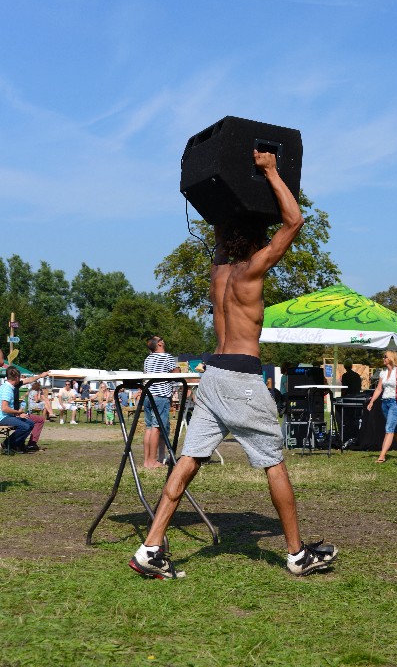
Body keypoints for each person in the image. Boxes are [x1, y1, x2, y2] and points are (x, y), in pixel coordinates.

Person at [129, 149, 338, 580]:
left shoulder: (218, 271)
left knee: (189, 459)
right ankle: (297, 554)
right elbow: (294, 221)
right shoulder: (251, 271)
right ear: (256, 240)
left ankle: (151, 547)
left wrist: (225, 195)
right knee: (274, 462)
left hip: (212, 377)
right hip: (241, 378)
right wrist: (270, 172)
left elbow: (224, 228)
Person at [367, 350, 397, 463]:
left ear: (391, 358)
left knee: (389, 429)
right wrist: (372, 401)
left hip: (396, 403)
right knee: (395, 429)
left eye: (385, 357)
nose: (383, 359)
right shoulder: (383, 372)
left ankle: (382, 456)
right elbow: (379, 389)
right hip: (385, 403)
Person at [142, 336, 178, 468]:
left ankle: (147, 461)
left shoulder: (148, 359)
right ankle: (153, 461)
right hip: (161, 396)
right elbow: (175, 374)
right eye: (161, 339)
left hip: (148, 395)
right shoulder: (167, 357)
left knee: (149, 428)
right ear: (159, 343)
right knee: (157, 428)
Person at [0, 366, 35, 452]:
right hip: (3, 417)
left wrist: (18, 414)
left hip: (8, 416)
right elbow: (4, 408)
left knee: (30, 423)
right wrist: (18, 412)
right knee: (25, 427)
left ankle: (15, 445)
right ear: (17, 378)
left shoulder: (8, 387)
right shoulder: (7, 389)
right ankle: (6, 444)